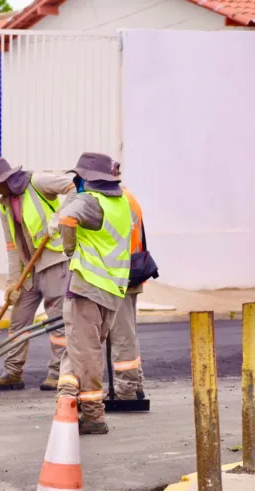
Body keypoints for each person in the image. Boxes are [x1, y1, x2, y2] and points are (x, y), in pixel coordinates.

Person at [0, 157, 76, 392]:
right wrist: (12, 283)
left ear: (5, 179)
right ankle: (12, 372)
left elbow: (74, 187)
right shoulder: (4, 205)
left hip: (53, 261)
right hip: (29, 269)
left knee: (57, 321)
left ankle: (58, 373)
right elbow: (12, 247)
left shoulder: (38, 182)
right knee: (18, 320)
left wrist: (59, 218)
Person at [53, 152, 132, 435]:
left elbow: (66, 220)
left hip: (86, 286)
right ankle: (67, 397)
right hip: (112, 288)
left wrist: (69, 249)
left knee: (86, 354)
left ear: (86, 178)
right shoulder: (122, 203)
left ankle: (93, 416)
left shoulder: (89, 201)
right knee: (81, 348)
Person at [108, 161, 146, 400]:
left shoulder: (120, 200)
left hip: (121, 275)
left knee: (122, 335)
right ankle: (135, 384)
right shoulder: (126, 197)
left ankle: (127, 389)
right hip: (127, 273)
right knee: (127, 333)